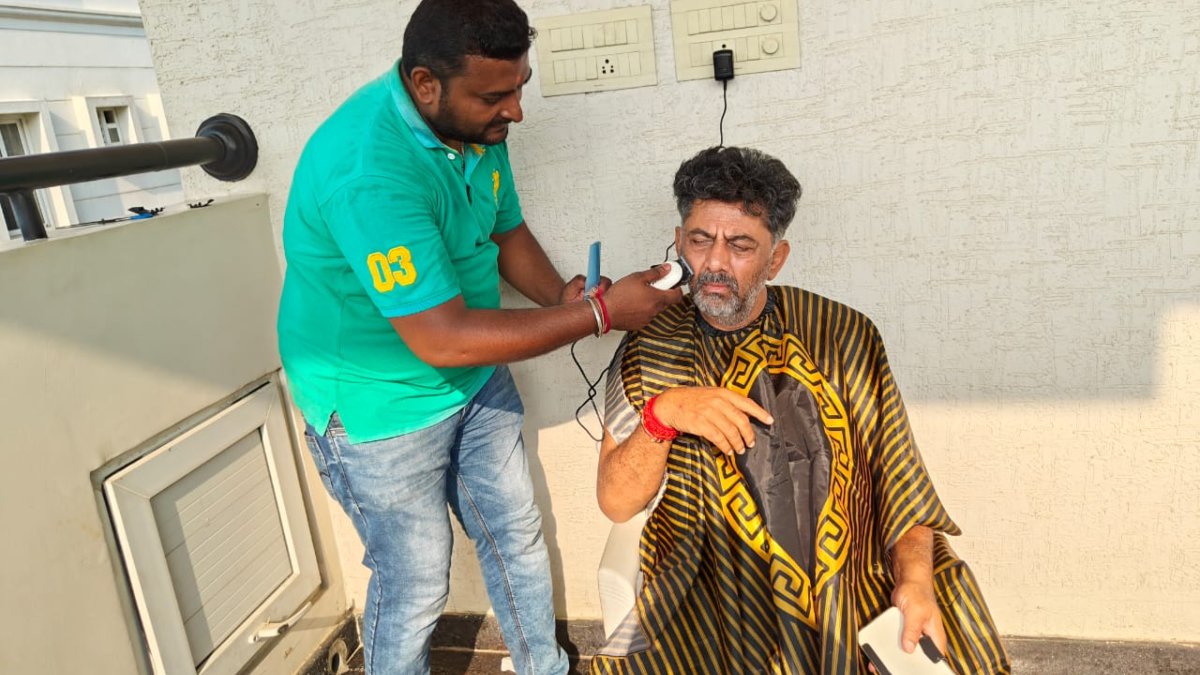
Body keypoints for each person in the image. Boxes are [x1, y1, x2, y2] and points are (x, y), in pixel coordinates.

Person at [276, 0, 682, 673]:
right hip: (381, 406)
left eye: (520, 86)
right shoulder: (369, 171)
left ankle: (543, 666)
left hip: (475, 374)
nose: (515, 111)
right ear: (425, 84)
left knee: (514, 533)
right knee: (414, 584)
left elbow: (504, 227)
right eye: (495, 96)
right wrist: (601, 315)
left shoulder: (476, 128)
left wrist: (561, 298)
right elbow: (442, 337)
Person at [593, 146, 1010, 674]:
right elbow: (616, 503)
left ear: (776, 258)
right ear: (679, 242)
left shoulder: (843, 335)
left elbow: (899, 481)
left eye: (740, 245)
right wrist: (663, 414)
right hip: (715, 593)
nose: (715, 262)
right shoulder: (649, 347)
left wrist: (915, 581)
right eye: (700, 240)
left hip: (849, 580)